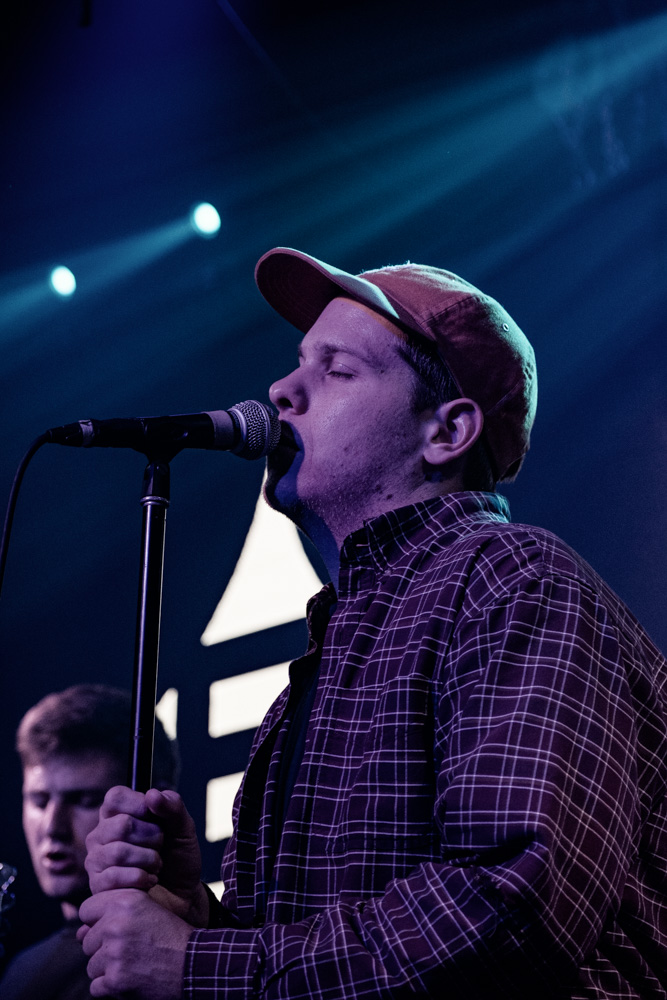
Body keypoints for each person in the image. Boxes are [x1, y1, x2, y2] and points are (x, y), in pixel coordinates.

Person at [78, 248, 667, 998]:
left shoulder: (512, 579)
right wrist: (198, 919)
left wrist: (197, 966)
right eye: (297, 362)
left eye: (336, 370)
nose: (281, 391)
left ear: (446, 432)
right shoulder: (325, 660)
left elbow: (512, 905)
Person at [0, 684, 179, 1000]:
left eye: (83, 800)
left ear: (153, 805)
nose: (53, 828)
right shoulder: (27, 972)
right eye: (39, 801)